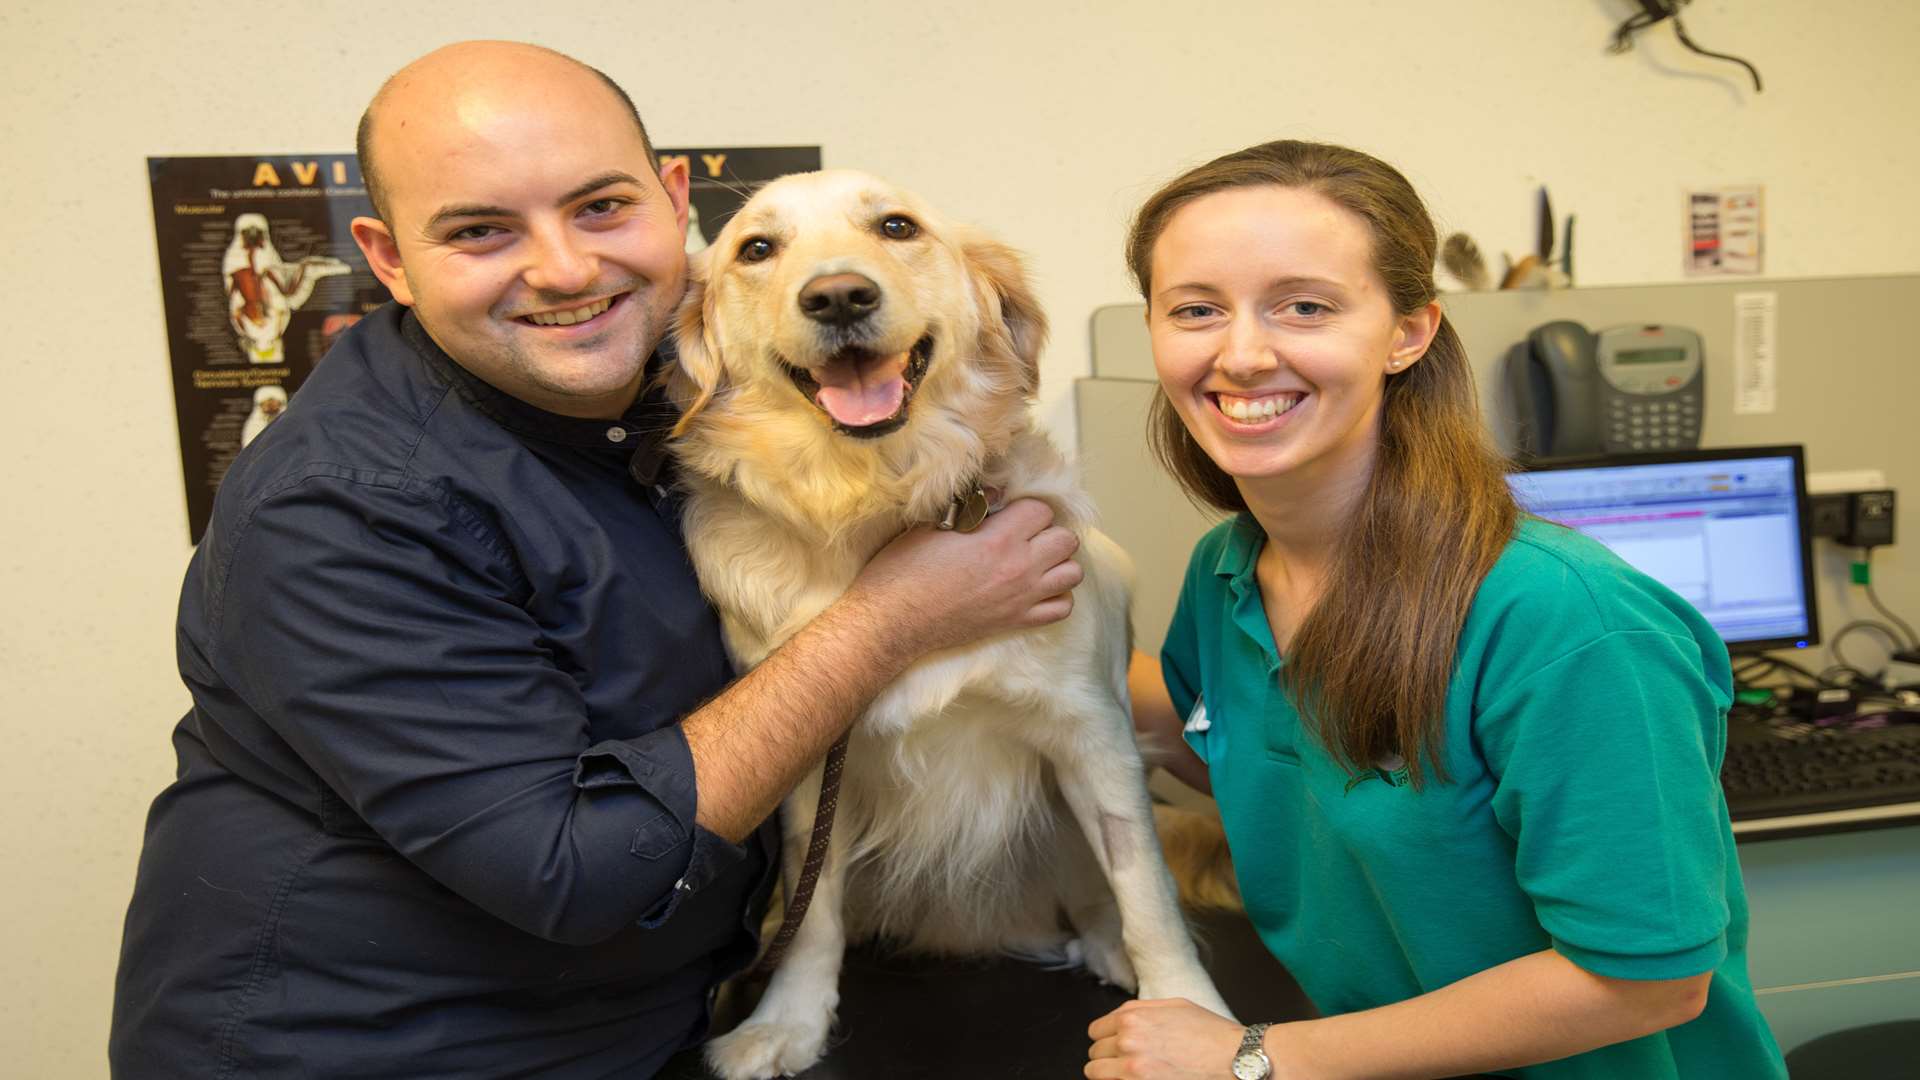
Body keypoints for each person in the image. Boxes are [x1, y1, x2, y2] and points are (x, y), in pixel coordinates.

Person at [109, 41, 1083, 1079]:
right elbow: (570, 867)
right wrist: (893, 619)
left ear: (675, 206)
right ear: (389, 260)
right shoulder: (340, 509)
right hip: (380, 1052)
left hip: (658, 1020)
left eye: (601, 207)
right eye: (481, 231)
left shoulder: (699, 397)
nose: (566, 269)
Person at [1085, 140, 1786, 1079]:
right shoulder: (1230, 573)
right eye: (1196, 310)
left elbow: (1647, 980)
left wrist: (1251, 1057)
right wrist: (984, 622)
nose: (1242, 355)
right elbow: (1253, 759)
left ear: (1409, 332)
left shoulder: (1564, 622)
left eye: (1305, 306)